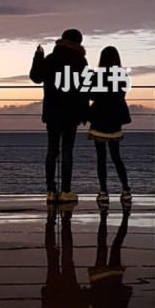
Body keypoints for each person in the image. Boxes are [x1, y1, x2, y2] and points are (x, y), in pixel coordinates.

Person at [29, 28, 89, 203]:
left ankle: (50, 190)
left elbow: (36, 77)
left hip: (53, 111)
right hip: (72, 112)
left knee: (52, 151)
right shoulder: (80, 61)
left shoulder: (51, 59)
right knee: (67, 151)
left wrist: (38, 57)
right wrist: (85, 112)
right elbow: (84, 89)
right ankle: (66, 191)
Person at [87, 46, 131, 204]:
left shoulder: (96, 76)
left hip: (99, 117)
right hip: (116, 118)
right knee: (117, 157)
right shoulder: (122, 76)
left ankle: (103, 191)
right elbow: (123, 92)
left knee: (101, 158)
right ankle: (126, 189)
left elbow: (90, 94)